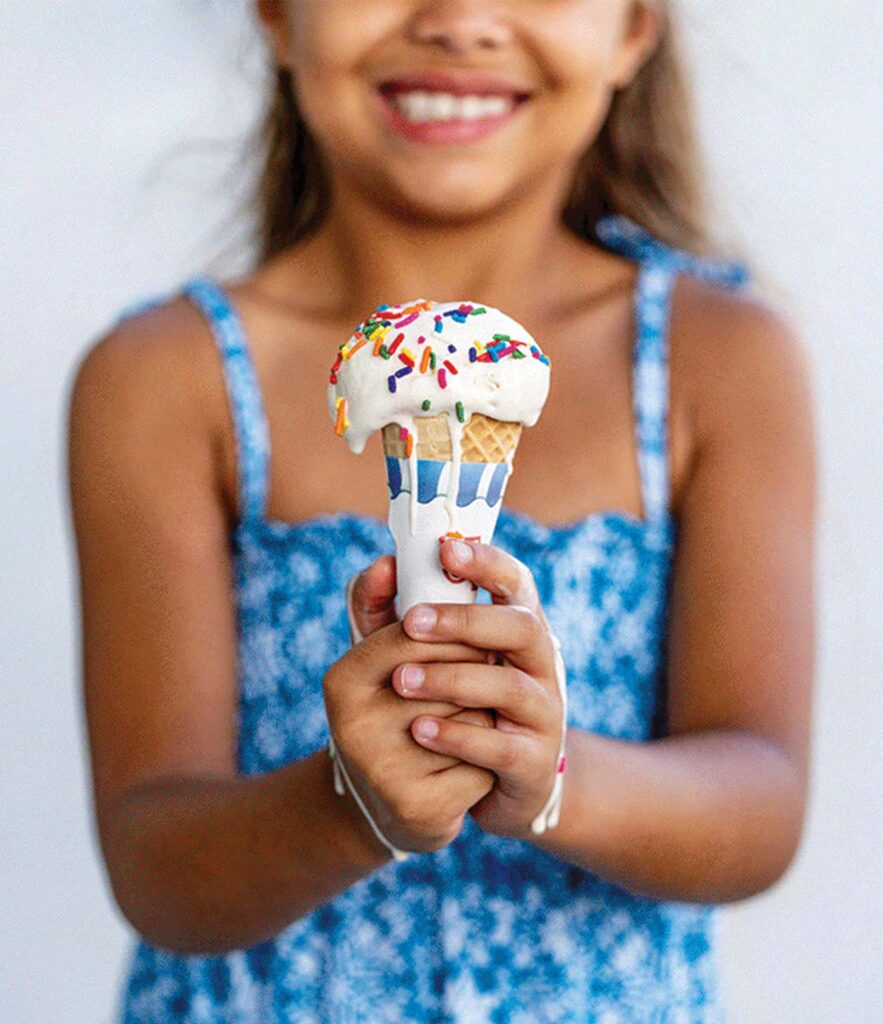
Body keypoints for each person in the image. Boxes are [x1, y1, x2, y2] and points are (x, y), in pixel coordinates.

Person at [66, 1, 816, 1021]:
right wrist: (350, 804)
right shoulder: (165, 378)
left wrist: (547, 771)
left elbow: (761, 802)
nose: (460, 20)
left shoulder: (718, 360)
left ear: (634, 30)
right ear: (278, 17)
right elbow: (156, 865)